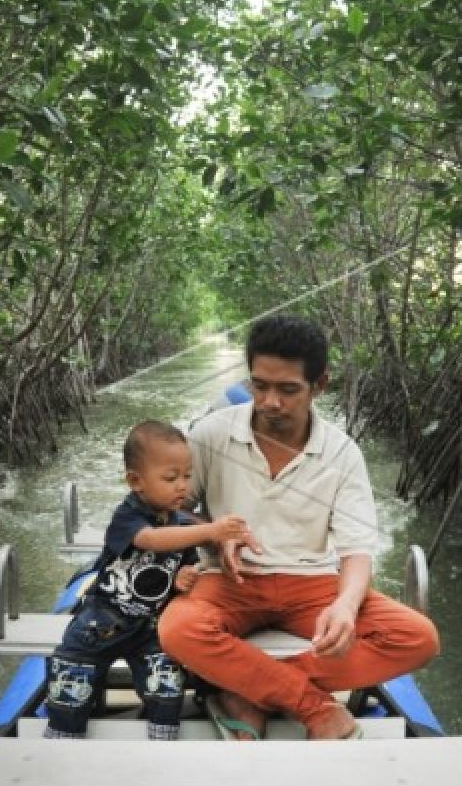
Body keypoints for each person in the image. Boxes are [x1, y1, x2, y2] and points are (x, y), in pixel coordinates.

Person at [158, 314, 440, 740]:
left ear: (319, 385)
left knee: (418, 638)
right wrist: (213, 534)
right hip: (230, 581)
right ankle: (309, 704)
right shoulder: (210, 434)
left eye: (288, 389)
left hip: (311, 583)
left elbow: (356, 550)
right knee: (177, 629)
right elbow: (167, 511)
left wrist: (344, 606)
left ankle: (247, 687)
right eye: (260, 385)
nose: (270, 401)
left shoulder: (343, 453)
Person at [44, 420, 250, 740]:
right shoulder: (128, 516)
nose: (182, 486)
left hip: (149, 627)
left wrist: (184, 577)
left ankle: (162, 741)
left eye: (186, 476)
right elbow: (152, 540)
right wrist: (211, 530)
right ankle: (61, 741)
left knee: (167, 688)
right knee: (70, 686)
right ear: (135, 481)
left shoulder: (180, 522)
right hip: (101, 623)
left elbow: (183, 564)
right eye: (170, 478)